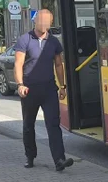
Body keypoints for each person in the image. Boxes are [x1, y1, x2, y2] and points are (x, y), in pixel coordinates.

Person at [13, 9, 74, 172]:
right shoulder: (25, 40)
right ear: (36, 21)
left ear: (50, 23)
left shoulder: (53, 42)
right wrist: (20, 85)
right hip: (29, 90)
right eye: (41, 20)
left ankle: (59, 160)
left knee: (53, 125)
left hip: (48, 89)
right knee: (28, 125)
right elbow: (18, 64)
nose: (43, 24)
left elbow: (59, 65)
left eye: (47, 21)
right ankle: (30, 156)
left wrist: (62, 86)